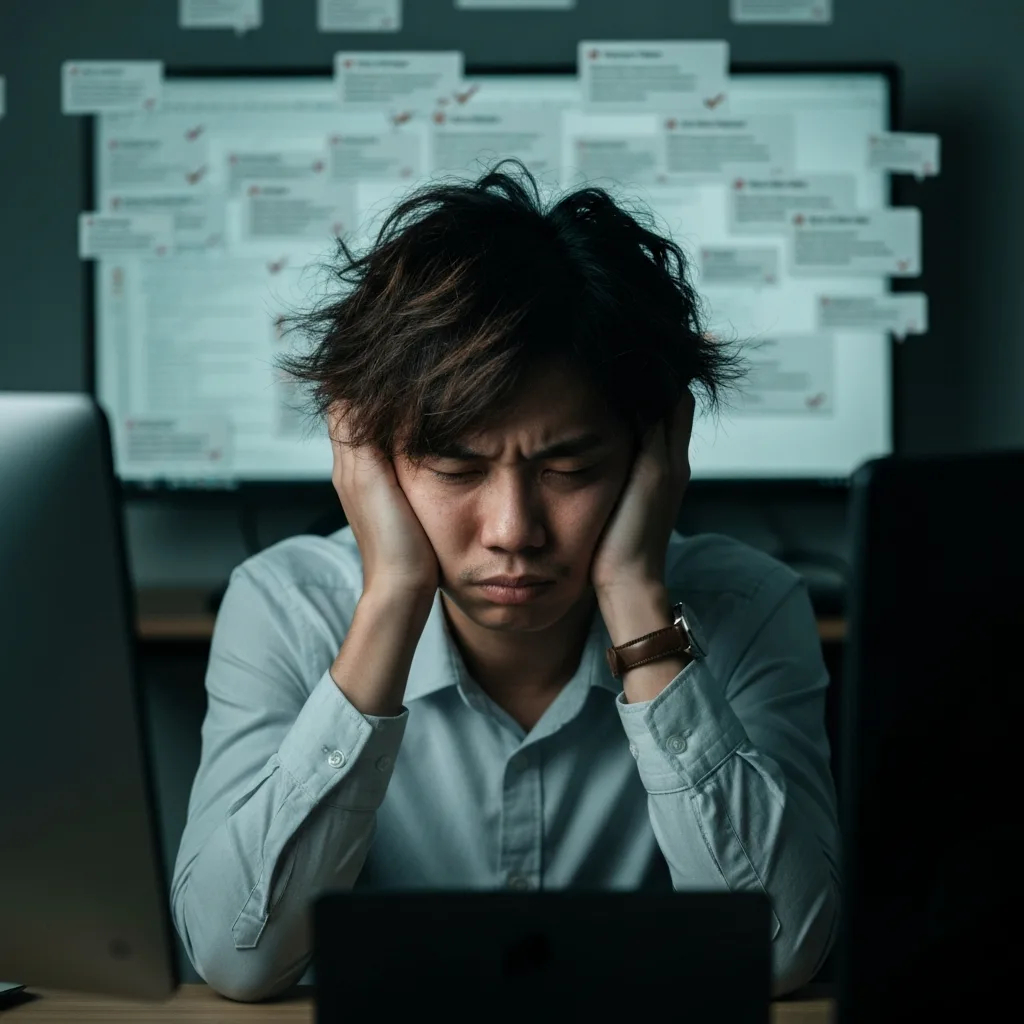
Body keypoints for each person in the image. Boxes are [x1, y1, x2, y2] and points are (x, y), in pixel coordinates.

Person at [171, 160, 841, 1003]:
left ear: (652, 453)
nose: (513, 531)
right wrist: (393, 598)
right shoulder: (285, 605)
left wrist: (637, 594)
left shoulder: (749, 607)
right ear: (369, 458)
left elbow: (780, 956)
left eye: (570, 466)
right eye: (455, 467)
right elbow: (238, 958)